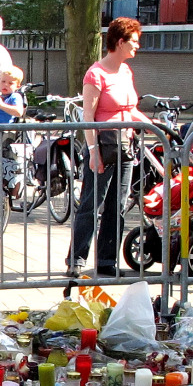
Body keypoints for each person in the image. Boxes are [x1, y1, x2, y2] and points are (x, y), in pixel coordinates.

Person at [68, 15, 148, 280]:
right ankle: (76, 259)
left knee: (118, 204)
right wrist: (93, 152)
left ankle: (106, 260)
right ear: (120, 42)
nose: (137, 47)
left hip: (125, 145)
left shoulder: (125, 71)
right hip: (103, 144)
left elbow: (131, 109)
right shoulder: (96, 74)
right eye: (134, 42)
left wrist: (156, 126)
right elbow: (88, 116)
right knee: (92, 203)